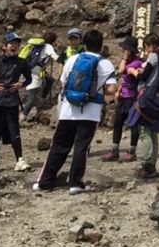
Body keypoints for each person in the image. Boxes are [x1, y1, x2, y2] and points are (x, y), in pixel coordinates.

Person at [34, 28, 117, 195]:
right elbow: (111, 89)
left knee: (58, 145)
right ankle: (75, 183)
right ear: (101, 46)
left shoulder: (72, 59)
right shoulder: (106, 63)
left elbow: (63, 83)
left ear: (84, 44)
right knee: (81, 147)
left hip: (68, 109)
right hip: (91, 111)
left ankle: (45, 182)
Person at [0, 31, 32, 172]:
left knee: (14, 131)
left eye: (17, 43)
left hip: (11, 100)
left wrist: (21, 85)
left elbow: (29, 78)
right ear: (4, 46)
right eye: (12, 43)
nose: (15, 46)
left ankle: (20, 160)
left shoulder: (21, 62)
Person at [127, 33, 159, 179]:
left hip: (147, 96)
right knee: (153, 131)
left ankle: (147, 164)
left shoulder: (154, 57)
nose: (146, 51)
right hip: (158, 97)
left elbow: (144, 76)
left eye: (146, 47)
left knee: (144, 131)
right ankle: (152, 163)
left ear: (150, 45)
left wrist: (133, 72)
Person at [101, 37, 143, 163]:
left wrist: (124, 58)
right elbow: (123, 78)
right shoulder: (128, 61)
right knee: (118, 121)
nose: (123, 50)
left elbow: (120, 70)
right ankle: (114, 150)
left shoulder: (136, 62)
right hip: (124, 95)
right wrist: (119, 91)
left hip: (132, 96)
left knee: (133, 123)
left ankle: (132, 150)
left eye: (125, 49)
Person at [19, 31, 59, 122]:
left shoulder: (36, 46)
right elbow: (55, 57)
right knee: (32, 98)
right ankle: (23, 115)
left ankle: (42, 99)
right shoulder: (48, 47)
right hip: (34, 74)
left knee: (49, 80)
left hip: (32, 70)